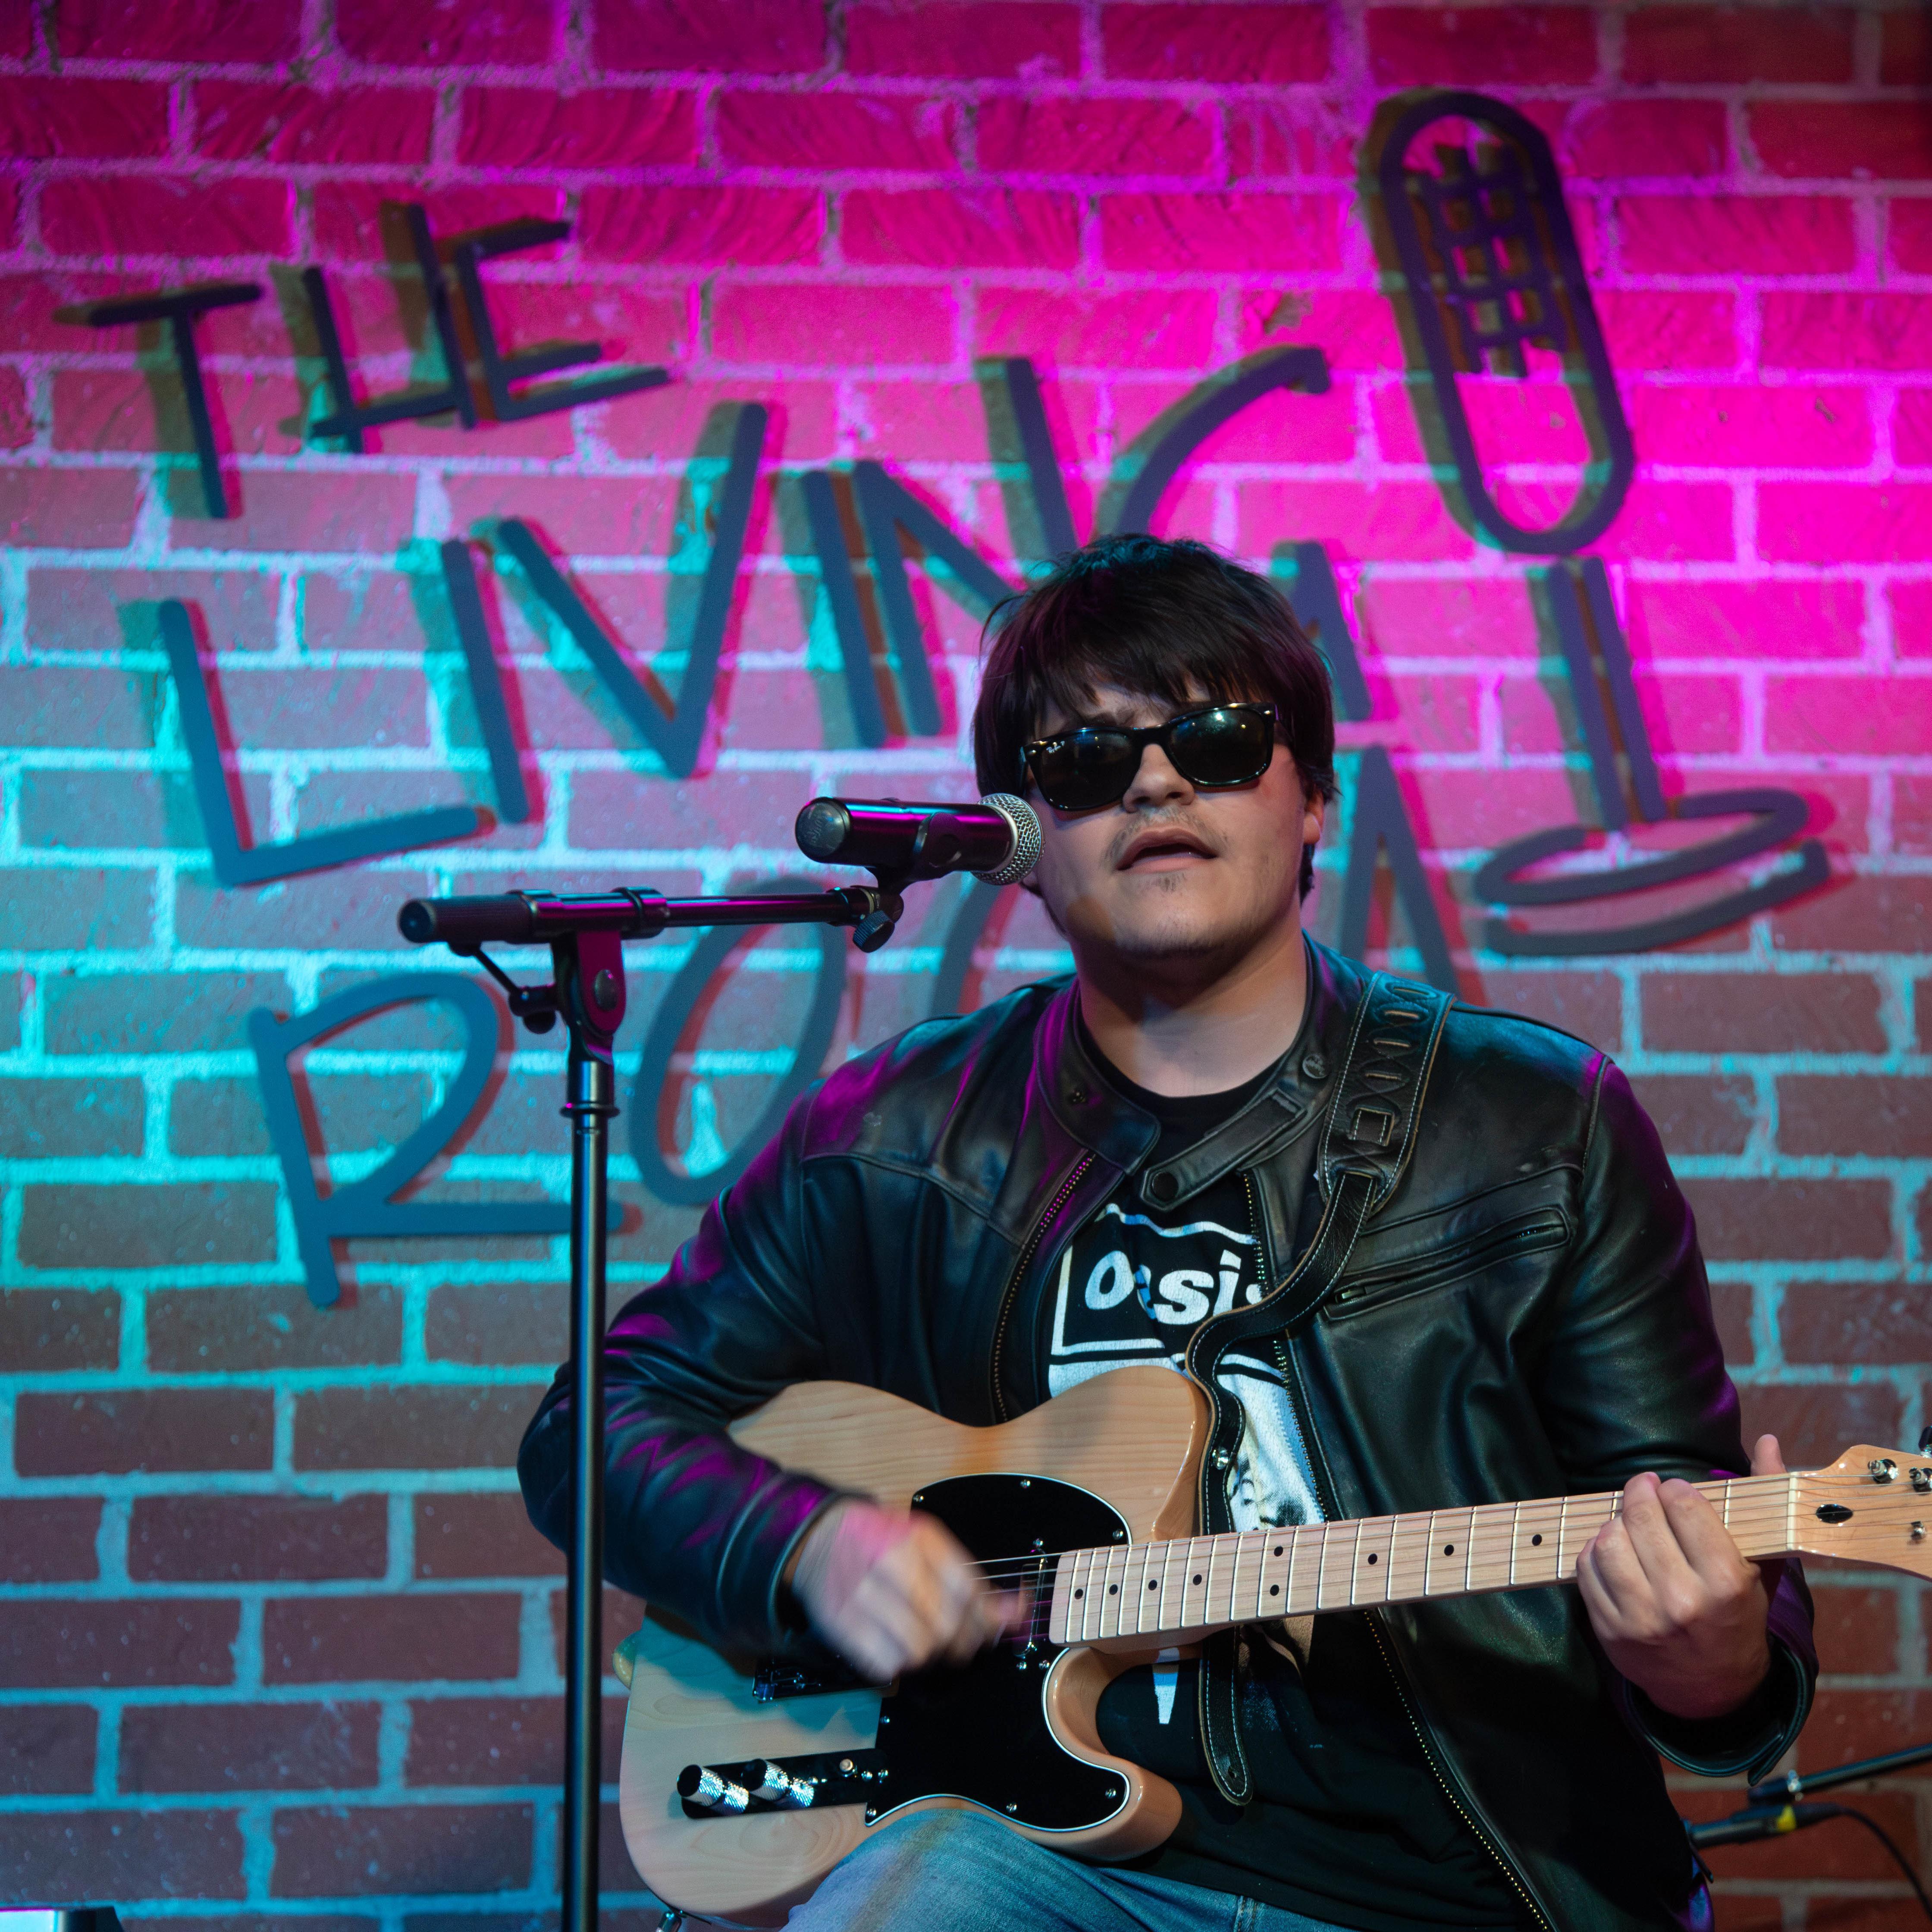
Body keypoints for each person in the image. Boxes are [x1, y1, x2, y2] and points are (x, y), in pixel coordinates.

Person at [520, 534, 1815, 1932]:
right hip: (1050, 1861)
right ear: (1021, 840)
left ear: (1316, 800)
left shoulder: (1536, 1126)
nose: (1152, 782)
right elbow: (592, 1428)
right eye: (1085, 760)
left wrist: (1714, 1656)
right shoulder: (895, 1141)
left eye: (1214, 740)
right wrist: (809, 1548)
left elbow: (1698, 1566)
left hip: (1458, 1885)